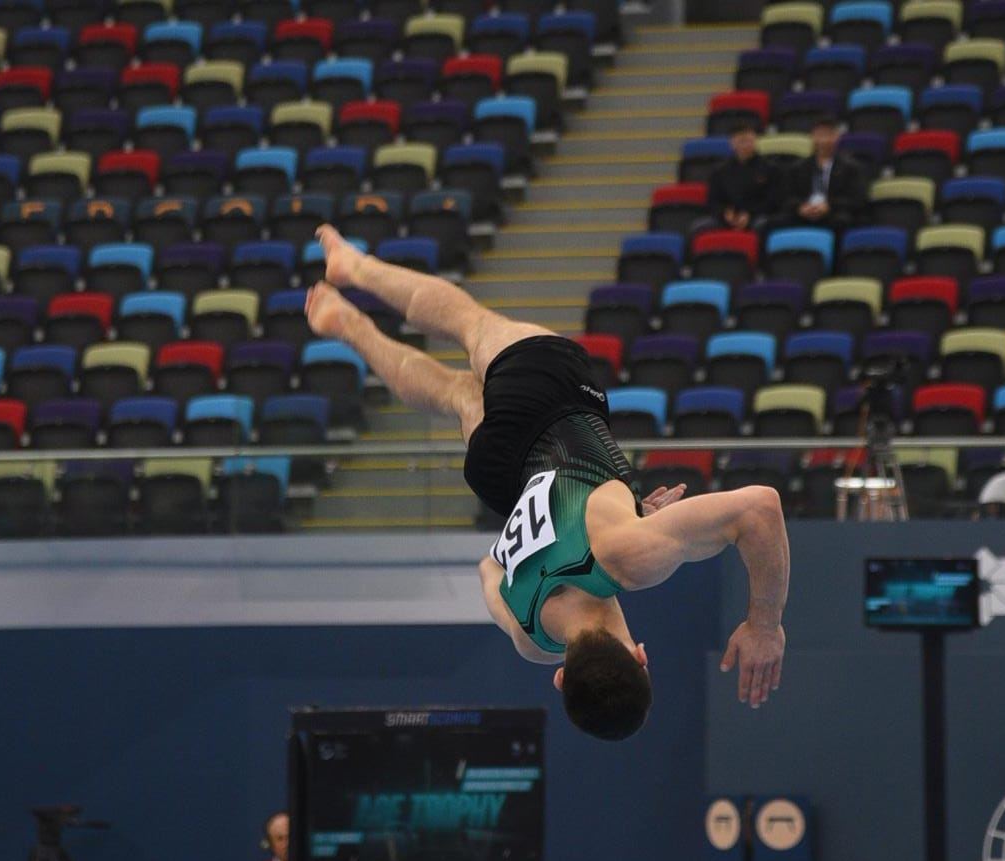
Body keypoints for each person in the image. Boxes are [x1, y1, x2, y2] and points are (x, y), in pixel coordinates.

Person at [306, 226, 790, 742]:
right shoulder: (530, 639)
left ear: (642, 658)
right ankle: (349, 326)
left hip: (549, 406)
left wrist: (765, 624)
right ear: (561, 677)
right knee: (455, 396)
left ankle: (354, 269)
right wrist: (630, 508)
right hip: (501, 477)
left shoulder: (629, 555)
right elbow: (490, 566)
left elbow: (760, 509)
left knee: (472, 324)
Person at [782, 116, 867, 231]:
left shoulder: (851, 168)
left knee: (842, 222)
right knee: (773, 223)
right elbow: (787, 197)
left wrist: (829, 206)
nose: (823, 140)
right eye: (819, 135)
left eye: (828, 135)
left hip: (834, 213)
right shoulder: (797, 167)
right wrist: (801, 207)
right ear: (812, 136)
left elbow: (857, 200)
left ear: (837, 137)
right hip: (805, 211)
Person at [704, 123, 786, 235]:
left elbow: (774, 200)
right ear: (732, 143)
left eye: (749, 140)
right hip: (728, 218)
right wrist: (725, 213)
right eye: (741, 141)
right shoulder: (720, 171)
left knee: (762, 225)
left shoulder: (771, 168)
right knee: (700, 227)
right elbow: (713, 201)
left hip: (759, 215)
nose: (746, 145)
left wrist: (750, 214)